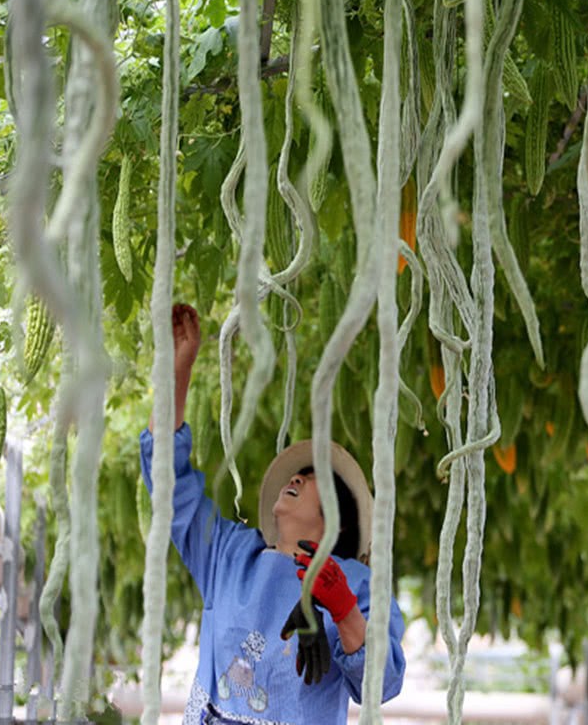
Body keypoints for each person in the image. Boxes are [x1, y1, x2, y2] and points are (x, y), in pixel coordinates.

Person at [139, 304, 406, 724]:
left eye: (310, 475)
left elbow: (383, 685)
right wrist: (178, 369)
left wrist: (343, 609)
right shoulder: (228, 554)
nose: (295, 477)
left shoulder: (359, 584)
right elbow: (166, 478)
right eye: (295, 473)